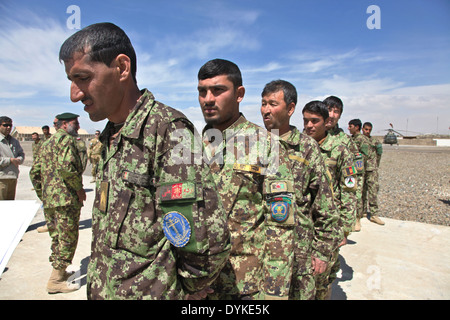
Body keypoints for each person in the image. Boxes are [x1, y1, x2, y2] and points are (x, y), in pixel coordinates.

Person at [59, 22, 230, 300]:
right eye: (71, 80)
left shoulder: (168, 130)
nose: (74, 94)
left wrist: (191, 290)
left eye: (82, 77)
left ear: (122, 68)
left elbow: (206, 238)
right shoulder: (110, 135)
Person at [198, 60, 297, 300]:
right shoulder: (195, 144)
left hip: (245, 286)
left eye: (218, 90)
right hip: (200, 284)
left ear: (239, 94)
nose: (208, 99)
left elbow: (281, 224)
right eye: (202, 91)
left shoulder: (266, 144)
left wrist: (275, 291)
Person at [260, 80, 341, 300]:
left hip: (299, 252)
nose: (266, 110)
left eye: (273, 104)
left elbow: (325, 205)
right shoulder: (252, 145)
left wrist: (322, 252)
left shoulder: (306, 148)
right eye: (263, 103)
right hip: (260, 251)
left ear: (290, 108)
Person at [302, 100, 357, 299]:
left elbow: (349, 190)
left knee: (323, 278)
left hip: (329, 224)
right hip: (304, 222)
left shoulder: (340, 149)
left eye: (315, 121)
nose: (309, 126)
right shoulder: (299, 146)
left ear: (326, 123)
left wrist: (344, 229)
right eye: (306, 121)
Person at [30, 112, 86, 294]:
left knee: (56, 238)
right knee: (68, 239)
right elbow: (66, 167)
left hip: (51, 201)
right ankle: (55, 281)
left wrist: (44, 194)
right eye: (74, 123)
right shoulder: (66, 141)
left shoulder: (46, 144)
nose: (77, 126)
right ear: (64, 125)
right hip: (66, 200)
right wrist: (78, 189)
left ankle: (59, 272)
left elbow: (34, 172)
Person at [323, 96, 364, 231]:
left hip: (333, 208)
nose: (332, 115)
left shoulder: (346, 142)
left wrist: (349, 218)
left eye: (336, 112)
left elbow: (352, 181)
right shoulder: (310, 136)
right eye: (329, 110)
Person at [362, 122, 384, 225]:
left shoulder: (374, 141)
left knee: (373, 191)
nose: (367, 131)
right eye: (366, 129)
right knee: (361, 191)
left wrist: (376, 165)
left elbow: (379, 153)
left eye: (369, 130)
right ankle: (362, 211)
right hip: (361, 170)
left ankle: (374, 214)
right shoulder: (358, 139)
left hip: (371, 169)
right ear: (362, 129)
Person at [0, 116, 25, 200]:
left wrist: (19, 159)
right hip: (2, 178)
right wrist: (10, 160)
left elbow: (21, 153)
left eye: (10, 125)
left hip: (13, 177)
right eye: (5, 125)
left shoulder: (14, 141)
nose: (8, 127)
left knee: (10, 205)